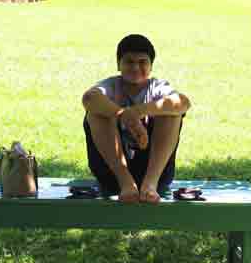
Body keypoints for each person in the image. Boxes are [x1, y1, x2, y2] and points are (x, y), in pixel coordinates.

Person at [81, 34, 191, 203]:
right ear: (119, 64)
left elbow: (183, 102)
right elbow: (89, 98)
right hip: (112, 176)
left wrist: (138, 112)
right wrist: (123, 115)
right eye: (129, 62)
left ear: (151, 65)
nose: (135, 67)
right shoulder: (110, 86)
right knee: (96, 113)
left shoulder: (157, 87)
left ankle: (149, 185)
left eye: (142, 62)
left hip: (156, 175)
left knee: (171, 114)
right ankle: (127, 183)